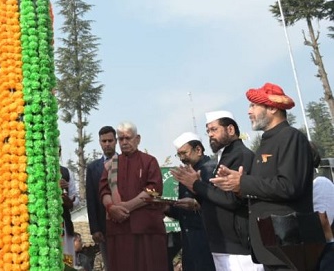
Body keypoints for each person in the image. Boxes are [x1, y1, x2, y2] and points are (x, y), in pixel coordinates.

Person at [211, 83, 314, 271]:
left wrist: (243, 182)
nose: (249, 111)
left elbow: (289, 186)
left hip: (290, 245)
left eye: (254, 106)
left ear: (273, 108)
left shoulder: (290, 137)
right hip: (271, 246)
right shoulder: (267, 142)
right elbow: (264, 188)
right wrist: (238, 187)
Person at [173, 111, 262, 271]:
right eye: (208, 131)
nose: (210, 135)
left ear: (230, 130)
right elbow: (216, 199)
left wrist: (197, 185)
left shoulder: (241, 155)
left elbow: (232, 200)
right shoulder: (225, 157)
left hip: (238, 247)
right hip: (221, 243)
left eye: (214, 130)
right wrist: (196, 193)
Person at [99, 122, 167, 271]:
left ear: (138, 139)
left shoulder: (149, 161)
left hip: (145, 229)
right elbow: (103, 190)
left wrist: (127, 206)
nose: (124, 142)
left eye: (128, 138)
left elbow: (155, 190)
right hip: (119, 228)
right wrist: (111, 208)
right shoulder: (111, 165)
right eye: (121, 138)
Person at [166, 132, 216, 271]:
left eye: (184, 153)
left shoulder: (212, 170)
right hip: (189, 242)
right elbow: (183, 211)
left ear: (198, 150)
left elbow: (220, 202)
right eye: (179, 155)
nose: (182, 158)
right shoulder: (187, 172)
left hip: (209, 241)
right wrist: (166, 208)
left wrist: (197, 205)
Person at [85, 125, 117, 270]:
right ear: (99, 142)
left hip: (126, 223)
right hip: (103, 228)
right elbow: (90, 199)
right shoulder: (93, 168)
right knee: (110, 264)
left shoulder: (126, 162)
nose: (107, 144)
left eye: (110, 140)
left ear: (115, 141)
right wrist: (94, 229)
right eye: (104, 141)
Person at [61, 149, 80, 269]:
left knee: (67, 262)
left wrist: (69, 202)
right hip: (41, 229)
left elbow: (76, 199)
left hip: (65, 227)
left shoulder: (66, 172)